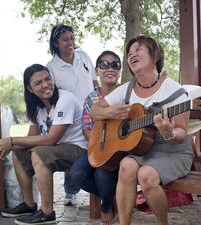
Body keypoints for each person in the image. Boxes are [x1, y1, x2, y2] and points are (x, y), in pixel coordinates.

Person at [90, 36, 193, 225]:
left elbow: (181, 133)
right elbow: (95, 111)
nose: (132, 55)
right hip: (144, 149)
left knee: (145, 175)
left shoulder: (174, 91)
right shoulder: (127, 89)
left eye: (138, 50)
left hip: (173, 151)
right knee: (126, 167)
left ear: (154, 56)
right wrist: (112, 111)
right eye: (129, 53)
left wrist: (168, 132)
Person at [0, 64, 87, 224]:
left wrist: (12, 140)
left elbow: (51, 139)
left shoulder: (65, 99)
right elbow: (31, 137)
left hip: (79, 149)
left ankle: (47, 212)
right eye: (38, 83)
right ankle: (29, 204)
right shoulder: (37, 106)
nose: (45, 84)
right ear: (30, 88)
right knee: (19, 152)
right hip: (58, 150)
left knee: (39, 153)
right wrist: (9, 146)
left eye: (47, 79)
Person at [46, 24, 97, 205]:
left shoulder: (83, 57)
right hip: (71, 116)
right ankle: (71, 190)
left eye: (72, 38)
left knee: (96, 147)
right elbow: (52, 95)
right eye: (65, 39)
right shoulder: (51, 67)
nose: (70, 42)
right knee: (73, 148)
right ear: (56, 43)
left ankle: (99, 191)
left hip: (92, 112)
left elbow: (94, 82)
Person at [68, 50, 121, 225]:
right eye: (104, 65)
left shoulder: (127, 94)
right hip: (97, 147)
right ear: (97, 71)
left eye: (115, 64)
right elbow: (87, 129)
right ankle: (111, 197)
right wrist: (102, 144)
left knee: (102, 172)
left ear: (120, 70)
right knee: (75, 175)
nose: (110, 68)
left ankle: (106, 206)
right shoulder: (91, 98)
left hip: (122, 150)